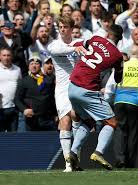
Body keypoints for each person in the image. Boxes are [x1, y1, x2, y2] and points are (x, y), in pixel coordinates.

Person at [68, 24, 124, 171]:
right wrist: (119, 67)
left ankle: (72, 152)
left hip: (72, 86)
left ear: (107, 34)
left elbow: (81, 44)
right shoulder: (117, 55)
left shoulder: (96, 38)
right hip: (87, 88)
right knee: (111, 122)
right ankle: (98, 152)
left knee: (88, 121)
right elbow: (118, 78)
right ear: (120, 39)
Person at [47, 16, 87, 172]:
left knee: (76, 117)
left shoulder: (81, 42)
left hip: (78, 86)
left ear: (71, 29)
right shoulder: (54, 45)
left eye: (65, 27)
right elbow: (59, 50)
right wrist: (75, 48)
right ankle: (68, 163)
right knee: (65, 121)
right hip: (62, 89)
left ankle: (76, 158)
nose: (63, 29)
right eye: (60, 27)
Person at [14, 54, 57, 131]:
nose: (34, 66)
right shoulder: (24, 81)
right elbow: (17, 99)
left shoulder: (48, 80)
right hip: (30, 119)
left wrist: (56, 114)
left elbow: (53, 99)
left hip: (47, 119)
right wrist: (24, 109)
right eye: (31, 64)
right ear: (28, 66)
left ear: (40, 65)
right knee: (31, 142)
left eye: (36, 64)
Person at [0, 47, 21, 132]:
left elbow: (20, 86)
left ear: (11, 56)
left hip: (13, 108)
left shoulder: (17, 69)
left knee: (13, 137)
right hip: (0, 108)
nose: (6, 57)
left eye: (8, 55)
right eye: (4, 55)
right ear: (0, 56)